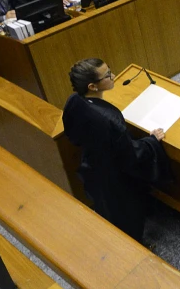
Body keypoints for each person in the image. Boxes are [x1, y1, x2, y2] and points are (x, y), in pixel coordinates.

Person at [62, 58, 172, 242]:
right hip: (115, 178)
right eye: (107, 75)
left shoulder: (73, 101)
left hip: (91, 166)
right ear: (93, 86)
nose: (113, 76)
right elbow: (131, 155)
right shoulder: (109, 119)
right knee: (128, 217)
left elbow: (72, 133)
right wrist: (151, 141)